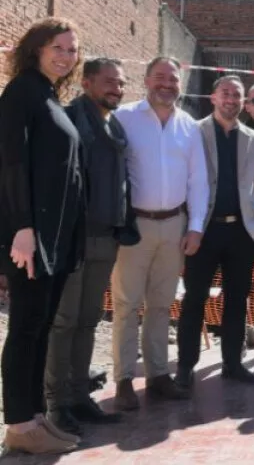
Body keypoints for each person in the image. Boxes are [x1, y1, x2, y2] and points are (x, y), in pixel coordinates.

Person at [0, 17, 85, 454]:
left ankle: (34, 417)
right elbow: (11, 162)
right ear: (37, 48)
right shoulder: (21, 92)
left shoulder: (48, 95)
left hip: (54, 237)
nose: (66, 56)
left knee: (40, 326)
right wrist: (22, 228)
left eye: (72, 50)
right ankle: (18, 422)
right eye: (58, 47)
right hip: (31, 237)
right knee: (26, 327)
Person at [111, 56, 208, 410]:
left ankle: (157, 375)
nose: (167, 84)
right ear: (146, 80)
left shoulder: (190, 126)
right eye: (160, 77)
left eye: (173, 79)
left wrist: (195, 227)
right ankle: (123, 379)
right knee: (126, 305)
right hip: (133, 227)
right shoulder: (123, 118)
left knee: (162, 305)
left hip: (174, 226)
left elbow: (199, 180)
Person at [44, 58, 129, 436]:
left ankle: (80, 396)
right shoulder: (69, 120)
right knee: (64, 322)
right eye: (109, 82)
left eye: (121, 83)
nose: (117, 89)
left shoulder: (115, 126)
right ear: (87, 82)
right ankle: (56, 403)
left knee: (88, 320)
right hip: (72, 239)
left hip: (105, 236)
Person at [175, 76, 254, 387]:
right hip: (202, 230)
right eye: (225, 93)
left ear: (243, 102)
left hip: (242, 232)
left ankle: (232, 363)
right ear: (213, 97)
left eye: (237, 95)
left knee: (237, 299)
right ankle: (185, 367)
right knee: (194, 299)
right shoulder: (193, 132)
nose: (231, 99)